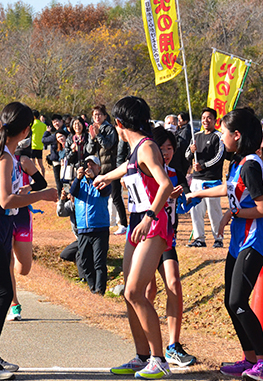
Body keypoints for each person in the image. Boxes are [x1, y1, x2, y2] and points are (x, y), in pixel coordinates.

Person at [0, 102, 57, 380]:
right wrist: (41, 195)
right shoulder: (4, 157)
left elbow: (6, 194)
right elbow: (5, 200)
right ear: (27, 129)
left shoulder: (5, 153)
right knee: (3, 293)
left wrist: (27, 189)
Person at [188, 109, 263, 380]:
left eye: (224, 133)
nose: (221, 138)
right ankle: (249, 359)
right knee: (231, 302)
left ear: (237, 135)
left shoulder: (251, 164)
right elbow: (230, 190)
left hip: (255, 239)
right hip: (238, 240)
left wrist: (234, 212)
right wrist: (198, 192)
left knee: (238, 300)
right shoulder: (238, 162)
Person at [94, 96, 173, 379]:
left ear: (118, 124)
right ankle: (142, 356)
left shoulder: (147, 147)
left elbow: (165, 184)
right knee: (130, 294)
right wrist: (106, 176)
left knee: (133, 292)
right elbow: (129, 170)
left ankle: (159, 359)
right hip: (137, 222)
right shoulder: (135, 149)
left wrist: (151, 216)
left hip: (152, 223)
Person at [146, 126, 196, 367]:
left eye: (169, 148)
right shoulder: (145, 170)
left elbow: (180, 207)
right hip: (146, 236)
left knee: (174, 283)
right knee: (147, 292)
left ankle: (173, 346)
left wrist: (185, 198)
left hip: (167, 238)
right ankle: (145, 348)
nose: (165, 152)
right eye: (161, 147)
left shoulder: (175, 173)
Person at [7, 151, 48, 321]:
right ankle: (14, 304)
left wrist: (29, 188)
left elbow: (42, 182)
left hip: (22, 215)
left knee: (23, 269)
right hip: (4, 215)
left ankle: (10, 267)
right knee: (6, 262)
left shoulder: (22, 161)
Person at [70, 155, 111, 295]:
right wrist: (78, 177)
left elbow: (105, 192)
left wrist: (94, 178)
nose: (89, 167)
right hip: (83, 229)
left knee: (99, 262)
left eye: (93, 165)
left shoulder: (104, 181)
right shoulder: (79, 184)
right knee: (85, 263)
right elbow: (73, 192)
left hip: (100, 228)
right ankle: (93, 288)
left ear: (99, 168)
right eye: (87, 164)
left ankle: (100, 290)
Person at [185, 107, 226, 248]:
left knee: (214, 210)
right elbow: (186, 155)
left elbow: (219, 157)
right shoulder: (196, 136)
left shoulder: (218, 137)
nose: (206, 120)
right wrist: (191, 151)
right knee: (195, 210)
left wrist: (204, 165)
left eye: (209, 117)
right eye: (203, 118)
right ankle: (199, 238)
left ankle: (218, 238)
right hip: (196, 180)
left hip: (212, 180)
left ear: (215, 120)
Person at [85, 104, 128, 236]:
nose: (96, 117)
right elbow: (89, 150)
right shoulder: (92, 129)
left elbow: (108, 145)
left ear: (104, 116)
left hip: (111, 166)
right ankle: (104, 221)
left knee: (115, 196)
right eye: (94, 115)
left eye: (99, 114)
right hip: (99, 167)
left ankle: (124, 224)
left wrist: (98, 135)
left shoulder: (109, 129)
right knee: (100, 196)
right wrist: (92, 138)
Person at [30, 110, 47, 176]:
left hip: (33, 146)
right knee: (41, 164)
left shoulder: (32, 124)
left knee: (32, 164)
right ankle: (43, 177)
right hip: (40, 146)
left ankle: (33, 179)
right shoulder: (43, 125)